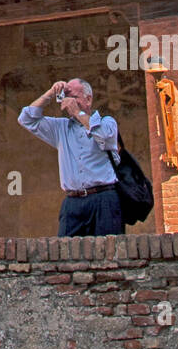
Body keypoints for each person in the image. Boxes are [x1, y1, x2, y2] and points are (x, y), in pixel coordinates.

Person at [18, 77, 124, 236]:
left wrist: (77, 112)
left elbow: (105, 137)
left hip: (104, 199)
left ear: (88, 99)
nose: (69, 102)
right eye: (66, 97)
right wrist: (50, 94)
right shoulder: (61, 128)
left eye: (73, 97)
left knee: (109, 251)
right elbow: (26, 119)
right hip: (73, 202)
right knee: (66, 253)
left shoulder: (107, 122)